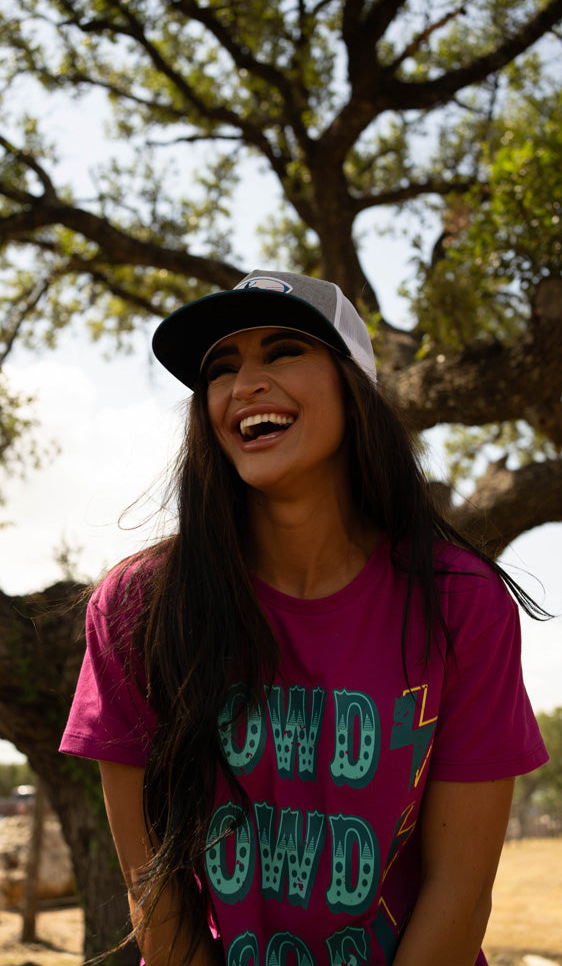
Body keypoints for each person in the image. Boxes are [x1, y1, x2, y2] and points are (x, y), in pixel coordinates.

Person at [60, 269, 549, 966]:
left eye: (284, 350)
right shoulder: (141, 608)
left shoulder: (463, 603)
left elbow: (460, 895)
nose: (244, 383)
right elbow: (153, 888)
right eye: (221, 369)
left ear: (355, 390)